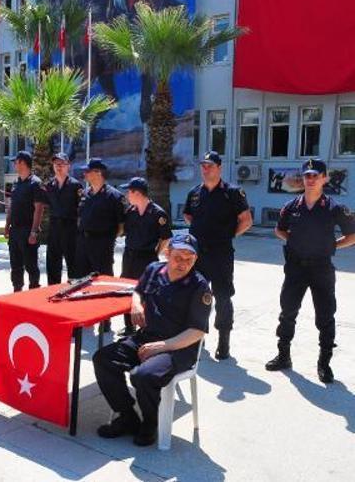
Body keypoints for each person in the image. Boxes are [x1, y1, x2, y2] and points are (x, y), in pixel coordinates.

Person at [92, 234, 211, 447]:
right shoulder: (154, 270)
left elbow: (196, 332)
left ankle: (150, 423)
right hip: (147, 337)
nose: (183, 263)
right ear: (168, 253)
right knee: (103, 359)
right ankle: (127, 416)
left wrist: (162, 346)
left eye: (189, 259)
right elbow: (138, 291)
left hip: (179, 348)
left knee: (144, 376)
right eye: (178, 257)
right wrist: (136, 304)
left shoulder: (199, 286)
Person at [265, 159, 355, 383]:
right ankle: (283, 356)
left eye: (316, 175)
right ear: (303, 179)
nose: (311, 179)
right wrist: (295, 241)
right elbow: (279, 230)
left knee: (325, 316)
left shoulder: (334, 208)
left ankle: (324, 363)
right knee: (288, 312)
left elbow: (352, 235)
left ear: (324, 178)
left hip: (321, 269)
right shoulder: (291, 206)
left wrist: (332, 246)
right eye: (307, 175)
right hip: (295, 268)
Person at [183, 151, 252, 360]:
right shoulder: (195, 193)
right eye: (203, 166)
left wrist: (227, 235)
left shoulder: (232, 192)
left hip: (221, 254)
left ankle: (224, 341)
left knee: (222, 297)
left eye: (210, 166)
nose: (206, 169)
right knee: (196, 296)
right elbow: (188, 216)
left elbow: (246, 220)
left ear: (219, 168)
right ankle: (196, 337)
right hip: (197, 255)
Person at [119, 177, 173, 335]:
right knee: (128, 290)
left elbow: (166, 238)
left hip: (147, 257)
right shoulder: (130, 212)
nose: (127, 195)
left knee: (147, 292)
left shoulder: (157, 213)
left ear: (137, 193)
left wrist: (155, 253)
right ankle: (129, 327)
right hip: (129, 256)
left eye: (129, 192)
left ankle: (146, 328)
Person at [75, 159, 127, 278]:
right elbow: (80, 218)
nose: (84, 173)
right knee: (81, 279)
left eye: (87, 171)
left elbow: (121, 226)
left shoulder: (114, 196)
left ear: (98, 173)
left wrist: (107, 240)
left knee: (102, 279)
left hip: (102, 245)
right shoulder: (84, 194)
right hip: (83, 243)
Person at [5, 151, 46, 292]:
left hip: (28, 230)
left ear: (23, 163)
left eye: (16, 162)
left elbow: (39, 209)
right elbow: (11, 206)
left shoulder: (35, 183)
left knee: (30, 265)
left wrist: (34, 232)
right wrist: (7, 225)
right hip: (15, 230)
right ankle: (17, 291)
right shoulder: (16, 183)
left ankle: (33, 291)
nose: (14, 165)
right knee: (15, 265)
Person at [44, 152, 83, 285]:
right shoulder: (49, 186)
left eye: (61, 164)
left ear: (68, 166)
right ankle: (53, 290)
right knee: (52, 263)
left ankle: (74, 290)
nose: (58, 167)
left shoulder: (75, 186)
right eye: (56, 164)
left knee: (73, 263)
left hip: (70, 228)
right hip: (54, 228)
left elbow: (81, 209)